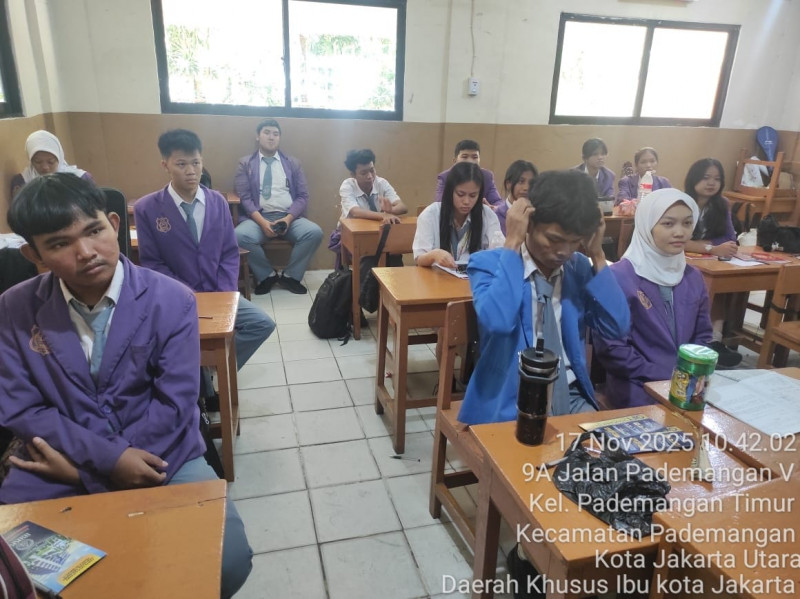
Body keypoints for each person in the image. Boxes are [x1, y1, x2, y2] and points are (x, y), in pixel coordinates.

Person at [0, 173, 252, 598]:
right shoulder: (14, 309)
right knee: (27, 571)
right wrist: (103, 461)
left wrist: (91, 471)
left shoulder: (171, 299)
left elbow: (175, 406)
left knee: (226, 561)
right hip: (58, 456)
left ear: (114, 224)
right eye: (60, 244)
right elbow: (23, 409)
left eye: (94, 230)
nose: (86, 253)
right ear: (33, 253)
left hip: (162, 450)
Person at [459, 169, 630, 424]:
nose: (563, 251)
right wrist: (513, 241)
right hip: (509, 404)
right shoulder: (487, 264)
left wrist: (596, 254)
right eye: (553, 239)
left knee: (606, 459)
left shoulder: (578, 267)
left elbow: (617, 327)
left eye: (574, 242)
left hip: (569, 397)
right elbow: (498, 321)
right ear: (529, 222)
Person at [134, 129, 274, 373]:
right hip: (176, 298)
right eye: (181, 164)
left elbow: (229, 253)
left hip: (218, 293)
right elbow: (152, 263)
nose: (190, 171)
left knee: (261, 324)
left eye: (196, 163)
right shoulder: (147, 208)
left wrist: (223, 294)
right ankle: (196, 378)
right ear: (165, 165)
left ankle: (218, 370)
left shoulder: (217, 202)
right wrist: (187, 296)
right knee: (171, 342)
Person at [592, 188, 713, 407]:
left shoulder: (693, 277)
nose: (680, 232)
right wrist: (668, 374)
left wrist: (696, 370)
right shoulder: (620, 277)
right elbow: (613, 350)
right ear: (648, 226)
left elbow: (703, 334)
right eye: (668, 224)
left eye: (687, 223)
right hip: (637, 389)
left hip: (687, 387)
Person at [234, 118, 323, 295]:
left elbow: (303, 196)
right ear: (258, 137)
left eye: (275, 134)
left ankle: (290, 277)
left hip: (289, 216)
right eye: (266, 132)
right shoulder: (245, 164)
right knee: (238, 236)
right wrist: (262, 223)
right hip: (259, 217)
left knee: (314, 232)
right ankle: (266, 276)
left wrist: (288, 219)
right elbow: (244, 197)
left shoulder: (293, 163)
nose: (271, 137)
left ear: (280, 138)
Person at [682, 158, 742, 366]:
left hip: (710, 262)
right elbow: (679, 240)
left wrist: (704, 245)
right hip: (682, 262)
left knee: (722, 288)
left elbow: (730, 238)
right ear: (694, 179)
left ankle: (714, 341)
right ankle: (692, 339)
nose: (711, 183)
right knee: (700, 288)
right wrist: (710, 247)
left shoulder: (721, 204)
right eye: (706, 177)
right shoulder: (681, 202)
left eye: (717, 179)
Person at [414, 161, 503, 268]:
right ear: (450, 191)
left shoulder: (487, 215)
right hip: (436, 279)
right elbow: (419, 258)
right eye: (460, 194)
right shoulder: (431, 214)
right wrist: (434, 255)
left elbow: (499, 253)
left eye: (473, 195)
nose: (466, 201)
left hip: (472, 280)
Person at [330, 148, 408, 269]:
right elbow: (355, 212)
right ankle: (365, 288)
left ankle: (391, 287)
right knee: (368, 260)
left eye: (372, 170)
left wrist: (391, 211)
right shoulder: (347, 185)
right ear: (353, 175)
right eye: (363, 173)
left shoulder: (381, 183)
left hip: (378, 234)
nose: (370, 176)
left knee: (395, 254)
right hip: (352, 236)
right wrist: (383, 215)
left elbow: (403, 207)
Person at [9, 130, 95, 198]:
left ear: (59, 158)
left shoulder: (81, 179)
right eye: (38, 162)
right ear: (30, 160)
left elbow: (95, 208)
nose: (45, 167)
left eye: (51, 162)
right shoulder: (22, 183)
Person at [434, 139, 502, 207]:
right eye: (465, 157)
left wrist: (492, 207)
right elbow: (440, 205)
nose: (470, 161)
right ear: (454, 161)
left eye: (474, 157)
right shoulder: (445, 177)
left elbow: (498, 202)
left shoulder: (486, 176)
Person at [496, 160, 538, 235]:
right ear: (508, 184)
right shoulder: (496, 216)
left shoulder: (537, 216)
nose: (526, 188)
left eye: (531, 183)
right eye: (521, 182)